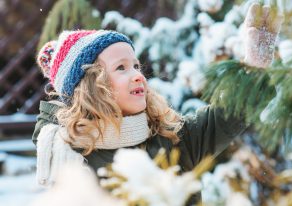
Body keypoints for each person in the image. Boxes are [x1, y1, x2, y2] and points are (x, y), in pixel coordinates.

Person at [33, 29, 246, 189]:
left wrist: (252, 66)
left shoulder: (173, 139)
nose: (138, 75)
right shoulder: (73, 156)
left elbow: (231, 111)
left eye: (136, 66)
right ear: (91, 87)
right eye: (121, 68)